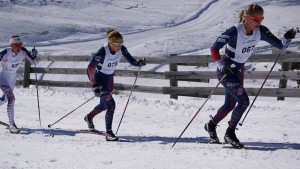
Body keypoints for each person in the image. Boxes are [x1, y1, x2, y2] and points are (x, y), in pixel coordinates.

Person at [204, 3, 298, 148]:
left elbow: (280, 45)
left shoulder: (260, 31)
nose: (259, 23)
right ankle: (230, 133)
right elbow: (214, 49)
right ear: (247, 18)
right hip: (227, 71)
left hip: (238, 70)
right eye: (257, 20)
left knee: (230, 105)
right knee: (243, 101)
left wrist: (287, 37)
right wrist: (222, 66)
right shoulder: (234, 31)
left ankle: (211, 125)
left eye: (262, 20)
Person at [85, 28, 146, 141]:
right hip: (100, 79)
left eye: (122, 42)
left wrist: (138, 63)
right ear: (110, 43)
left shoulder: (122, 49)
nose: (120, 45)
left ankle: (89, 117)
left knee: (104, 105)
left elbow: (131, 60)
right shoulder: (103, 51)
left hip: (109, 79)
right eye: (117, 43)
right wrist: (94, 85)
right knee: (111, 105)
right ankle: (109, 133)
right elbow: (90, 69)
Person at [0, 35, 39, 134]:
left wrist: (34, 55)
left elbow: (35, 62)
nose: (19, 46)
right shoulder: (5, 52)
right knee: (11, 99)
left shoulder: (23, 51)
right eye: (17, 44)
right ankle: (12, 125)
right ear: (11, 45)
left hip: (12, 80)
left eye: (20, 44)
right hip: (3, 78)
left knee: (4, 99)